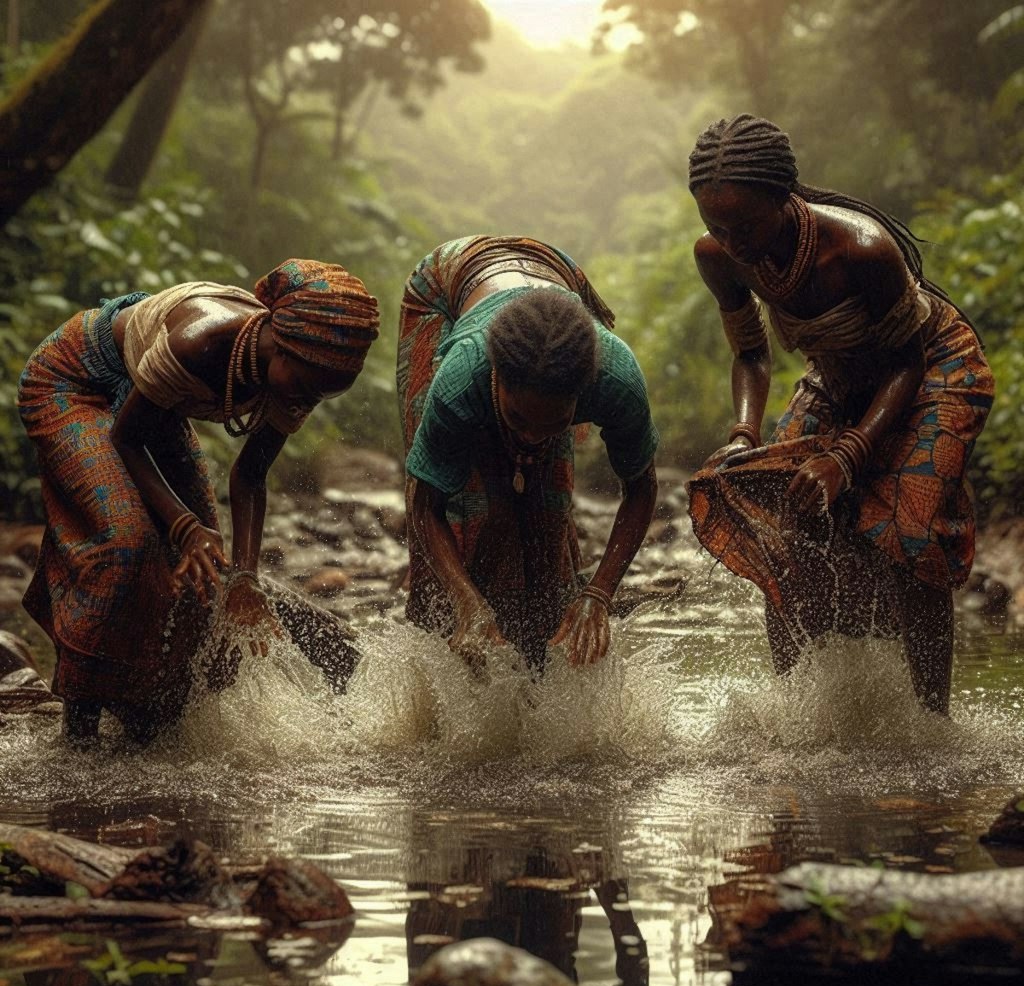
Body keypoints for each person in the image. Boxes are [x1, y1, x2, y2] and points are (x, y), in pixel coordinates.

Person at [685, 114, 994, 714]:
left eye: (745, 224)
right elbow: (750, 351)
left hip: (931, 372)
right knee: (785, 521)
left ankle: (933, 721)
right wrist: (743, 434)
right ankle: (796, 714)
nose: (734, 241)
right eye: (715, 225)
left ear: (784, 198)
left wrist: (849, 454)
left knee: (910, 531)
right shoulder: (718, 255)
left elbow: (906, 363)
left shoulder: (862, 249)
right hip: (838, 376)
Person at [18, 259, 380, 743]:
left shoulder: (310, 372)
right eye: (305, 382)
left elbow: (251, 474)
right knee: (125, 544)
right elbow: (127, 439)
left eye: (323, 392)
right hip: (75, 382)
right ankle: (79, 724)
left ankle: (151, 711)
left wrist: (247, 579)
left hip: (154, 401)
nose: (308, 399)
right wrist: (184, 526)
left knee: (207, 574)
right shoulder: (202, 342)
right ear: (281, 341)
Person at [397, 235, 659, 673]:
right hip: (443, 289)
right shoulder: (463, 376)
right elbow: (425, 503)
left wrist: (599, 595)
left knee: (547, 511)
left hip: (553, 271)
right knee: (472, 509)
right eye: (520, 420)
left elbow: (642, 487)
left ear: (582, 394)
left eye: (555, 424)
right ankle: (450, 648)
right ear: (496, 378)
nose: (535, 438)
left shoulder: (615, 378)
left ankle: (542, 654)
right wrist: (468, 604)